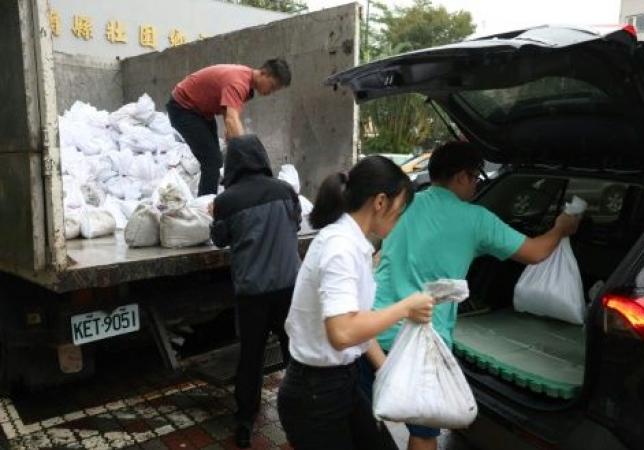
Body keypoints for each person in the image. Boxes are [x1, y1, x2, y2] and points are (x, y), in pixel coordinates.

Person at [367, 141, 582, 450]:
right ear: (461, 177)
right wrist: (561, 228)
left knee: (363, 420)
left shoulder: (406, 205)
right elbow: (535, 252)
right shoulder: (476, 219)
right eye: (477, 178)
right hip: (422, 344)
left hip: (373, 331)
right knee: (424, 433)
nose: (478, 185)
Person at [277, 156, 436, 450]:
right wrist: (405, 308)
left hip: (340, 383)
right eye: (399, 210)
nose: (399, 219)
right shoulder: (340, 248)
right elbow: (343, 333)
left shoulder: (354, 244)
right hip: (316, 394)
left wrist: (388, 371)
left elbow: (358, 326)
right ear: (379, 202)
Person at [210, 134, 301, 448]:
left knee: (251, 357)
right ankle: (303, 412)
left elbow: (220, 238)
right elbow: (296, 224)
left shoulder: (226, 200)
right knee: (295, 353)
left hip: (253, 293)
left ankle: (246, 422)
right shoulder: (287, 191)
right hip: (290, 288)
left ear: (231, 163)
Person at [167, 59, 291, 195]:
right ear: (264, 73)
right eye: (272, 86)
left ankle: (214, 198)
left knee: (216, 160)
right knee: (212, 161)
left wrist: (232, 133)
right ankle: (205, 205)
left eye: (274, 90)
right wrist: (250, 158)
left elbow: (230, 115)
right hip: (183, 108)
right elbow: (232, 119)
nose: (270, 92)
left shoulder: (246, 82)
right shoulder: (238, 82)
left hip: (201, 112)